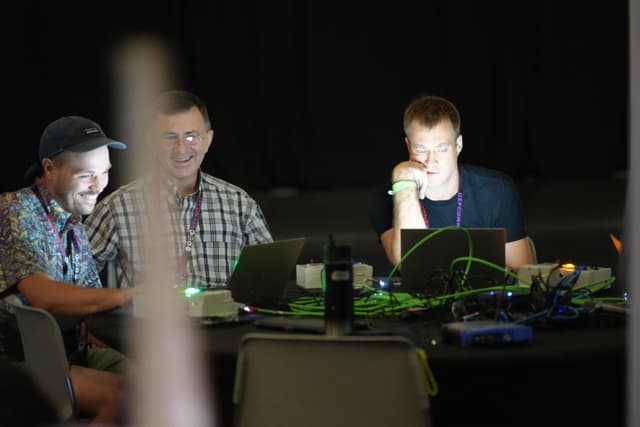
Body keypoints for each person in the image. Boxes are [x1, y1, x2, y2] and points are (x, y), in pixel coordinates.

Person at [0, 115, 138, 425]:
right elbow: (43, 296)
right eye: (87, 174)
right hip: (19, 361)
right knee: (124, 397)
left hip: (69, 351)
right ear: (49, 169)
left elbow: (87, 305)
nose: (99, 185)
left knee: (157, 384)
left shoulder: (74, 223)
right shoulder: (14, 211)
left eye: (105, 173)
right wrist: (128, 295)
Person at [85, 90, 273, 289]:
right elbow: (75, 280)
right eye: (170, 138)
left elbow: (269, 276)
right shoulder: (117, 207)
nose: (181, 148)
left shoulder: (240, 204)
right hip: (153, 318)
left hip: (229, 318)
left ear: (207, 141)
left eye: (191, 137)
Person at [369, 94, 534, 272]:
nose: (431, 161)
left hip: (484, 298)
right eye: (421, 149)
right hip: (418, 299)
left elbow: (523, 276)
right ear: (408, 146)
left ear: (458, 145)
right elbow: (407, 263)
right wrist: (403, 183)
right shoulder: (388, 196)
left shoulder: (496, 190)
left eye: (441, 149)